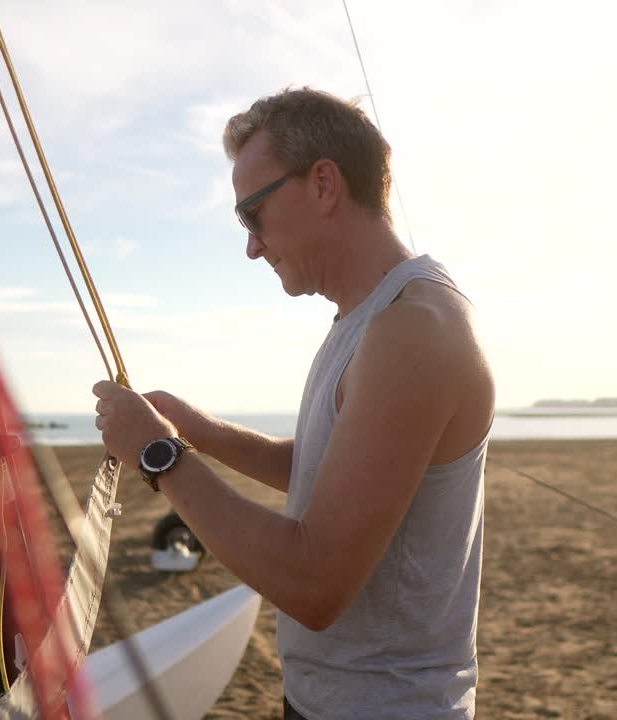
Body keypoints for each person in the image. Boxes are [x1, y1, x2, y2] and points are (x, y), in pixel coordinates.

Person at [92, 87, 494, 720]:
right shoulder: (367, 319)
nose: (252, 245)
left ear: (325, 185)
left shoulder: (412, 328)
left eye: (251, 215)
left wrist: (159, 453)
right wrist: (196, 428)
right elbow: (323, 470)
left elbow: (314, 584)